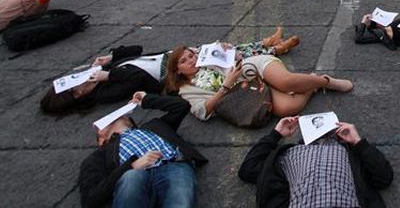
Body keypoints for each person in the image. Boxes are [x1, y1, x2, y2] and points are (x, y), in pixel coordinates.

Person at [41, 31, 292, 115]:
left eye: (75, 84)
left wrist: (111, 57)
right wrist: (109, 76)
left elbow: (137, 50)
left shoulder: (100, 69)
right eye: (76, 91)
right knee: (223, 60)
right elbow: (139, 80)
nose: (81, 85)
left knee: (221, 50)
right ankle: (274, 48)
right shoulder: (104, 92)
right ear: (78, 98)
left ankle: (268, 43)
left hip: (166, 56)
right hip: (169, 72)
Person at [77, 92, 208, 208]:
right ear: (101, 140)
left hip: (172, 165)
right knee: (132, 177)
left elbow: (181, 106)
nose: (114, 117)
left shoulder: (153, 126)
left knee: (180, 200)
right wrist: (131, 166)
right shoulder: (99, 155)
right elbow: (91, 198)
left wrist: (146, 99)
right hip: (135, 174)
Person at [164, 41, 351, 121]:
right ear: (177, 70)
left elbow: (237, 60)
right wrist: (225, 86)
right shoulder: (186, 89)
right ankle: (313, 83)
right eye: (184, 61)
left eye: (191, 55)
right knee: (288, 108)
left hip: (252, 68)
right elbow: (202, 111)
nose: (191, 61)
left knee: (286, 82)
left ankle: (327, 82)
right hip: (246, 91)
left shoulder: (208, 59)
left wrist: (229, 51)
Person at [238, 116, 393, 208]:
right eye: (314, 123)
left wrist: (358, 142)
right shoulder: (286, 154)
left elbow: (384, 177)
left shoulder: (350, 152)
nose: (319, 127)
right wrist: (276, 134)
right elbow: (248, 170)